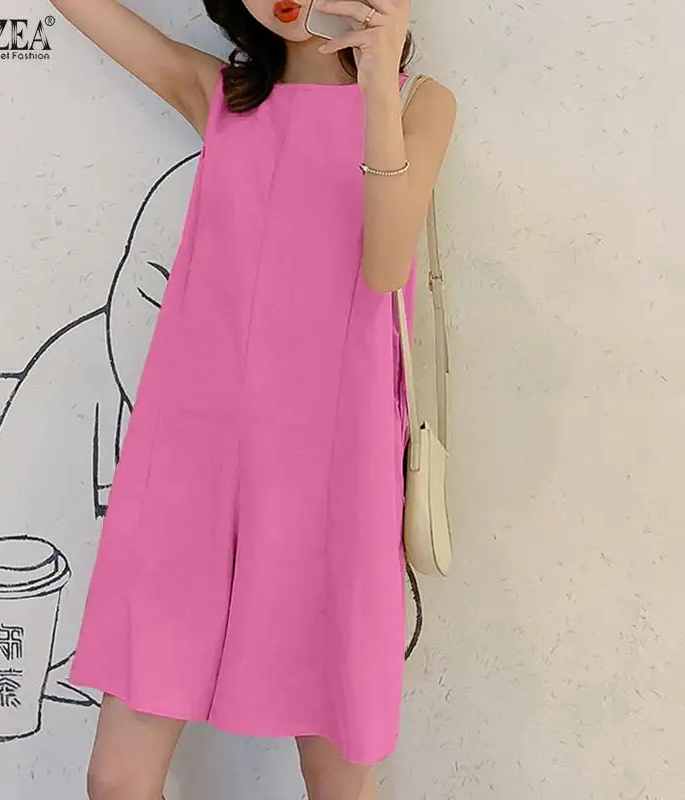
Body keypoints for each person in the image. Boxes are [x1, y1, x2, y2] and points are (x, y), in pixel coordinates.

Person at [49, 0, 456, 797]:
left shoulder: (421, 105)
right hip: (190, 473)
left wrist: (378, 81)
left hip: (331, 477)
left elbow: (384, 266)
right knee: (117, 779)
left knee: (338, 782)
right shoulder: (220, 96)